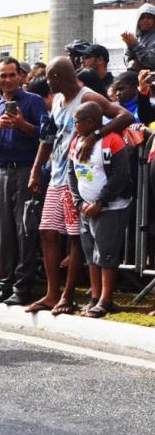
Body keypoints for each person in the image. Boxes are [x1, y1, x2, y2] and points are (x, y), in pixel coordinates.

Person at [27, 57, 133, 315]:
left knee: (76, 238)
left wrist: (96, 134)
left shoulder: (89, 98)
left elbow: (125, 115)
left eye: (51, 77)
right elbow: (48, 138)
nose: (48, 82)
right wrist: (35, 171)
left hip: (83, 177)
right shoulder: (57, 103)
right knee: (48, 233)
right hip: (59, 176)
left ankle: (68, 295)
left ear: (59, 77)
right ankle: (52, 294)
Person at [0, 57, 48, 305]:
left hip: (27, 170)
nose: (7, 80)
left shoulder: (34, 102)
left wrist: (22, 124)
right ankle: (5, 283)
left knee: (25, 229)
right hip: (2, 172)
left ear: (21, 77)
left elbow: (46, 135)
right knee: (5, 231)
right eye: (3, 75)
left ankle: (22, 288)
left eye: (12, 75)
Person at [68, 102, 133, 318]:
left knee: (106, 254)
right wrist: (79, 203)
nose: (74, 125)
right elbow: (71, 173)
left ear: (91, 122)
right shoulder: (76, 141)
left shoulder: (111, 141)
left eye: (77, 122)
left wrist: (101, 203)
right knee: (91, 255)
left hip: (110, 208)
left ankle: (106, 299)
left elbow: (119, 177)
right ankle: (94, 296)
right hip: (86, 208)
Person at [123, 3, 155, 71]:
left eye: (149, 17)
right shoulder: (134, 37)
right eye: (142, 17)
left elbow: (151, 62)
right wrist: (129, 47)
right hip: (135, 78)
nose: (145, 20)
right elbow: (127, 62)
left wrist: (135, 44)